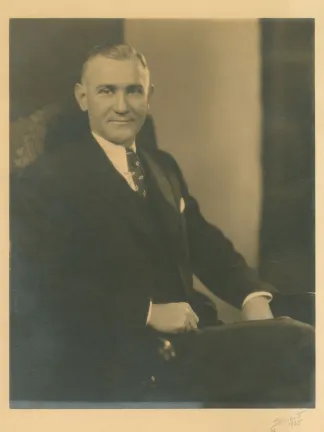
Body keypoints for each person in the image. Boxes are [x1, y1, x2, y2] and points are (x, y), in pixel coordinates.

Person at [10, 43, 315, 407]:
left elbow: (205, 244)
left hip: (189, 341)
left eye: (133, 91)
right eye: (106, 91)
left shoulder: (161, 167)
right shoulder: (47, 179)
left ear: (148, 96)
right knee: (298, 343)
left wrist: (252, 297)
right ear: (82, 97)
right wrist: (148, 312)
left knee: (309, 312)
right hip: (118, 358)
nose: (122, 106)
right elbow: (37, 287)